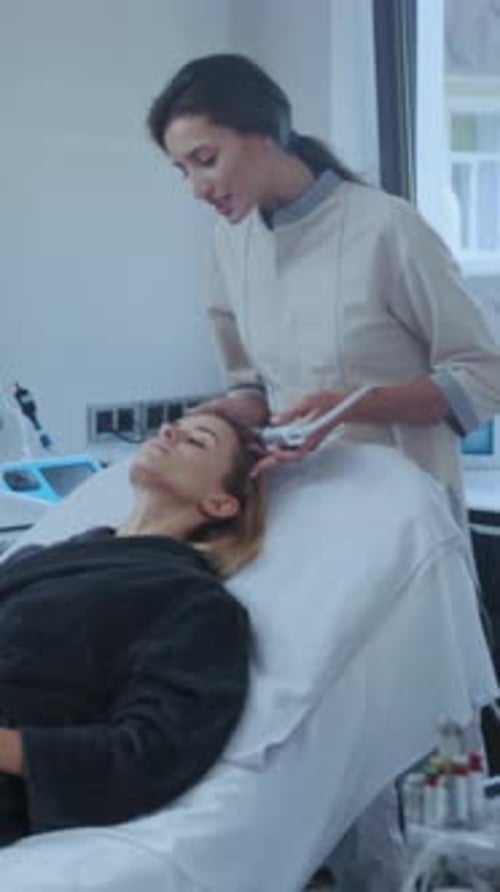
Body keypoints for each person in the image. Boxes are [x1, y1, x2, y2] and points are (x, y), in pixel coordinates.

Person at [146, 53, 500, 891]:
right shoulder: (229, 246)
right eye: (180, 170)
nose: (197, 186)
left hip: (402, 524)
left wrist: (359, 403)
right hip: (303, 524)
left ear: (265, 132)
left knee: (410, 733)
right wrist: (212, 420)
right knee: (322, 734)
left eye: (206, 159)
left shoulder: (384, 229)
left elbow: (482, 374)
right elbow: (252, 387)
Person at [0, 410, 265, 846]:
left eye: (197, 440)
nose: (171, 430)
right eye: (173, 426)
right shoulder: (39, 557)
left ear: (220, 503)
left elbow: (148, 755)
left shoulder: (193, 602)